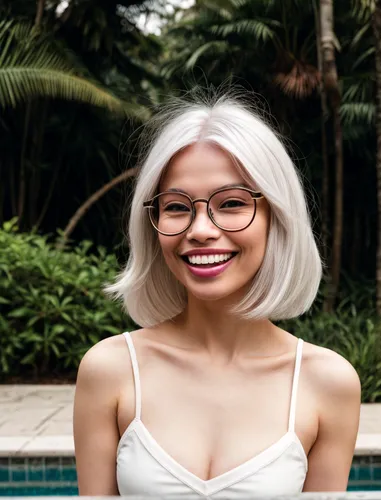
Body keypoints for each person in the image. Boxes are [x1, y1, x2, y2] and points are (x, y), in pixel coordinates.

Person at [73, 94, 361, 497]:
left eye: (230, 203)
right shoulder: (109, 371)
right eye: (176, 207)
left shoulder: (327, 382)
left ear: (275, 218)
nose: (200, 229)